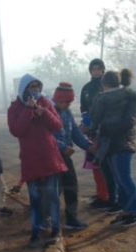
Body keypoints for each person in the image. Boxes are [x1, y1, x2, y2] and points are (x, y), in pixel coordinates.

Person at [7, 74, 67, 248]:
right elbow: (17, 130)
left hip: (49, 158)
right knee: (35, 199)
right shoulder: (15, 108)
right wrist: (28, 110)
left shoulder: (46, 103)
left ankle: (56, 230)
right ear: (23, 89)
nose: (34, 91)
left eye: (37, 87)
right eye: (31, 87)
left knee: (52, 197)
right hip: (30, 160)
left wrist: (44, 113)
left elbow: (57, 125)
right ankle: (35, 232)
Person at [91, 69, 136, 228]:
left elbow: (128, 123)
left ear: (104, 84)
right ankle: (127, 211)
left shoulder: (126, 98)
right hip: (114, 144)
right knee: (120, 180)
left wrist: (104, 129)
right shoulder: (128, 96)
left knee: (125, 179)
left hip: (121, 144)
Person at [51, 82, 93, 230]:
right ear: (57, 99)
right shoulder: (47, 112)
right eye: (65, 102)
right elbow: (46, 136)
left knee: (71, 187)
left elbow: (75, 131)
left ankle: (71, 218)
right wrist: (62, 147)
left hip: (65, 156)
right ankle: (50, 221)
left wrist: (88, 146)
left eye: (69, 102)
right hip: (51, 157)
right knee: (54, 190)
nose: (67, 105)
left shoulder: (67, 112)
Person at [80, 58, 115, 210]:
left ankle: (109, 196)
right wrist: (86, 121)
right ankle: (101, 194)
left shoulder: (107, 87)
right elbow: (83, 107)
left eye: (99, 68)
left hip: (105, 131)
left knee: (107, 165)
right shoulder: (86, 88)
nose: (96, 71)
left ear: (103, 70)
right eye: (93, 69)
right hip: (92, 131)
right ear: (90, 71)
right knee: (95, 164)